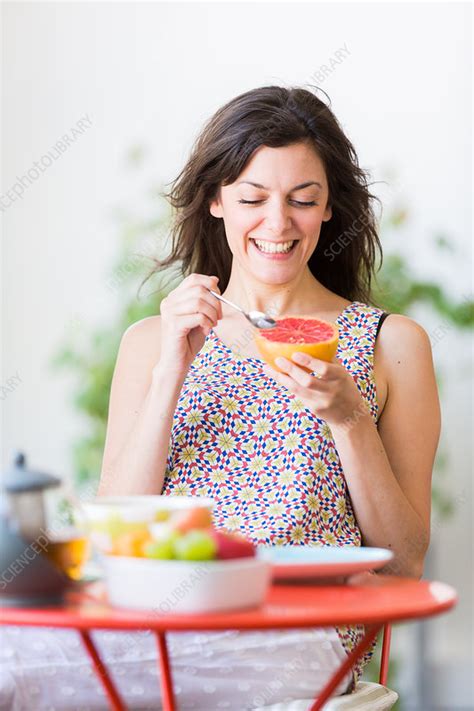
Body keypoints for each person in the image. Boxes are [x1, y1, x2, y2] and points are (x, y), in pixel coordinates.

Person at [97, 85, 441, 710]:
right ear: (216, 202)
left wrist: (349, 419)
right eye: (253, 199)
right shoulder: (153, 340)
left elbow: (403, 565)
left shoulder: (391, 345)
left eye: (302, 200)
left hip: (301, 653)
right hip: (166, 641)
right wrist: (171, 371)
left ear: (330, 206)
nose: (278, 225)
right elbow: (115, 536)